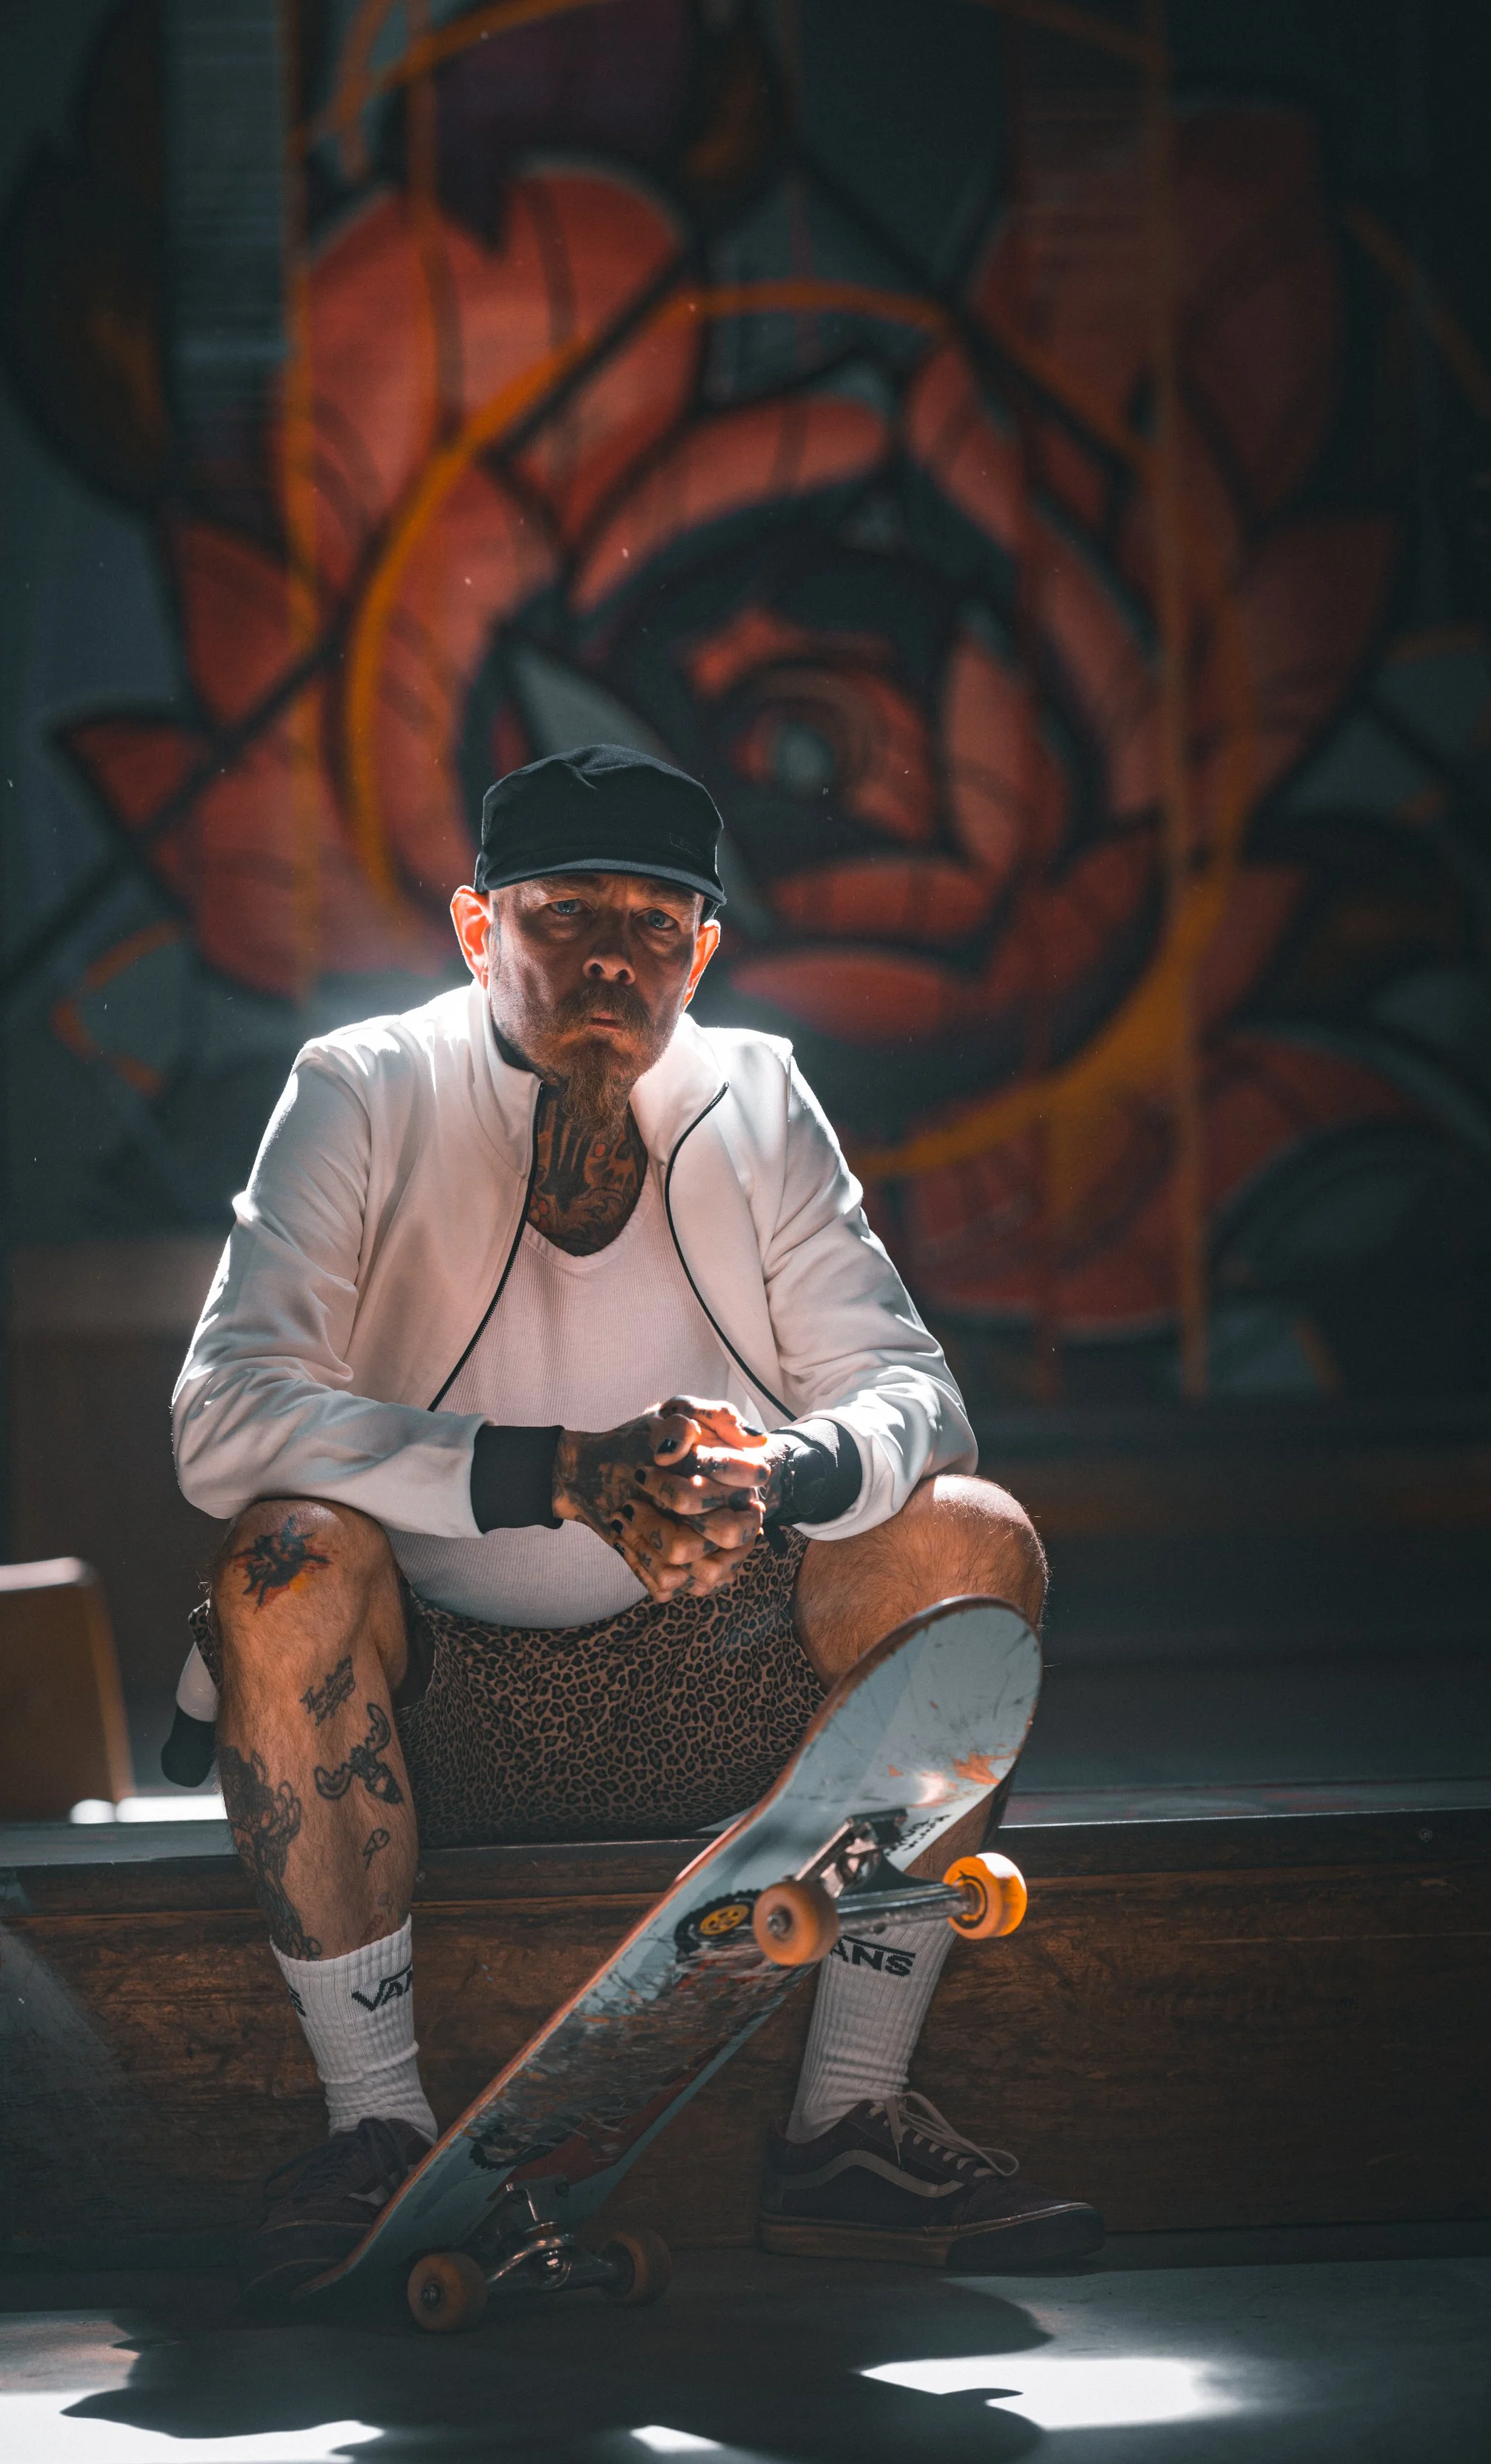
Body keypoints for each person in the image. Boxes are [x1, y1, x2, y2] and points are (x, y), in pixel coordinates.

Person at [168, 743, 1101, 2309]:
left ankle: (847, 2127)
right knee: (279, 1556)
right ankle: (372, 2128)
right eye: (562, 916)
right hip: (434, 1712)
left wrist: (780, 1471)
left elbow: (909, 1391)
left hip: (713, 1689)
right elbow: (222, 1414)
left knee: (972, 1541)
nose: (610, 956)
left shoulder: (757, 1093)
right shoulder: (360, 1087)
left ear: (702, 952)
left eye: (655, 925)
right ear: (477, 930)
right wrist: (553, 1472)